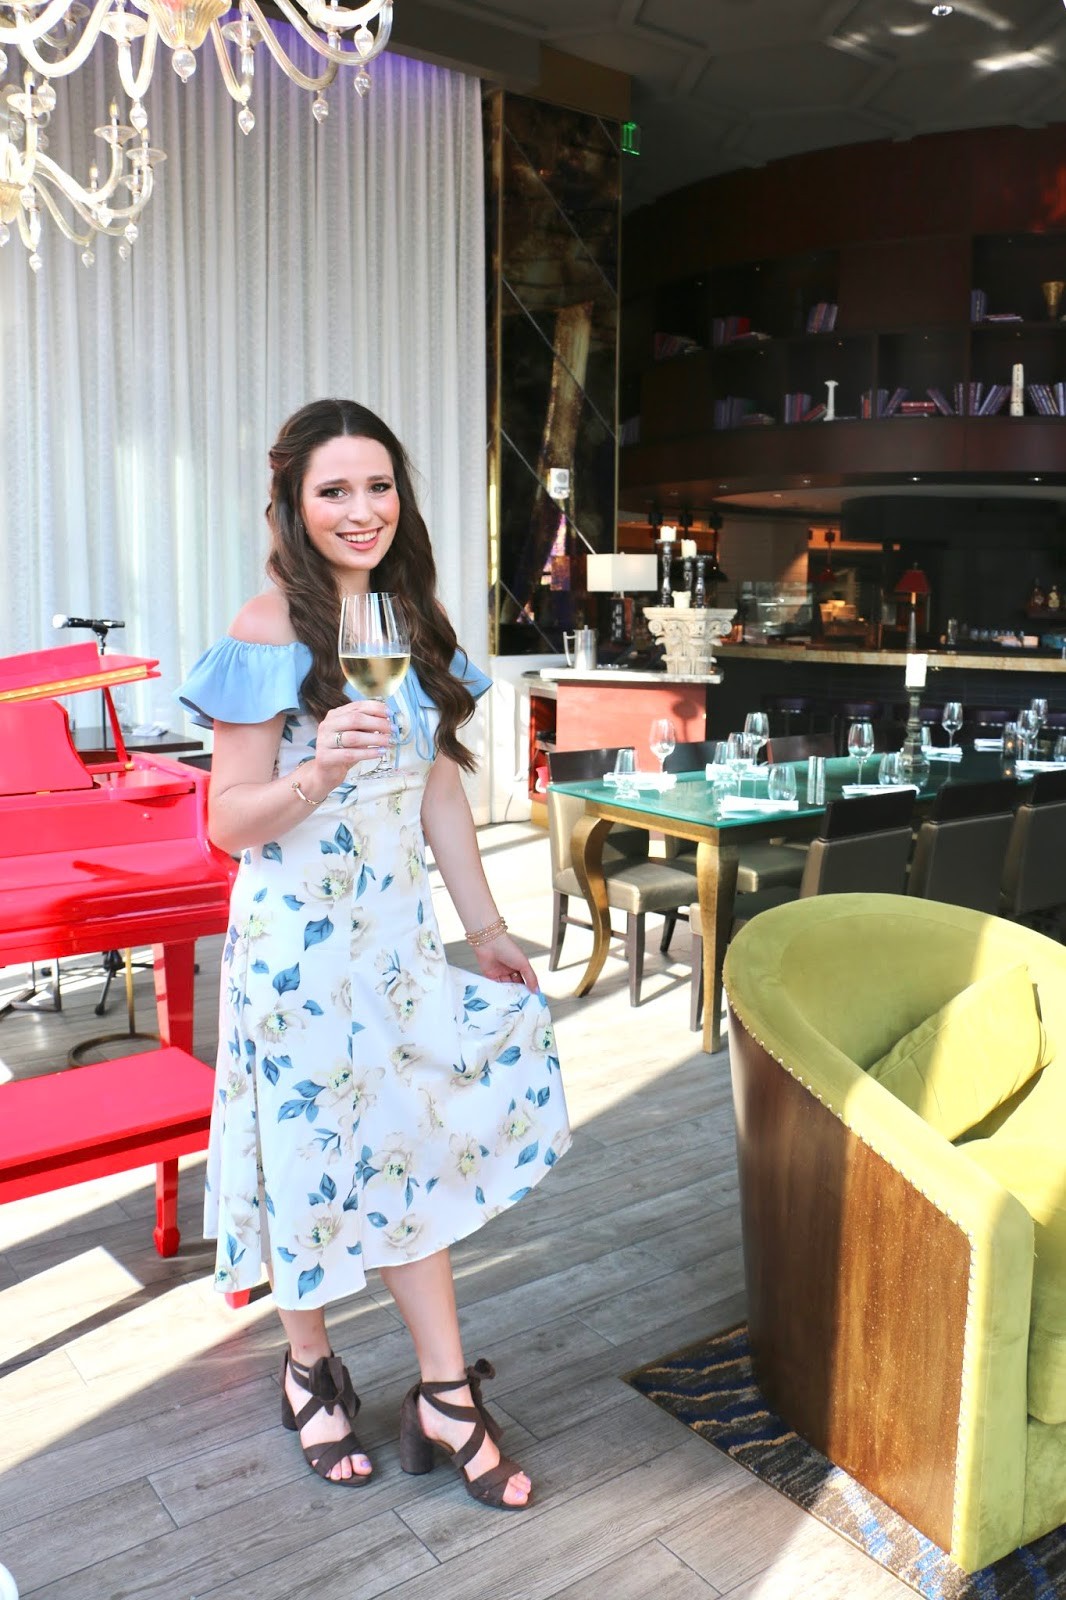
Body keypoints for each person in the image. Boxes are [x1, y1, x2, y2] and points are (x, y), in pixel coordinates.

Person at [177, 398, 570, 1509]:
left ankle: (445, 1390)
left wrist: (486, 929)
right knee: (305, 1159)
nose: (361, 510)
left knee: (413, 1150)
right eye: (334, 490)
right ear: (295, 507)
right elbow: (227, 822)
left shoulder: (412, 618)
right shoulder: (266, 630)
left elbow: (440, 784)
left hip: (393, 945)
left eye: (378, 485)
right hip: (297, 952)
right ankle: (309, 1365)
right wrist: (314, 773)